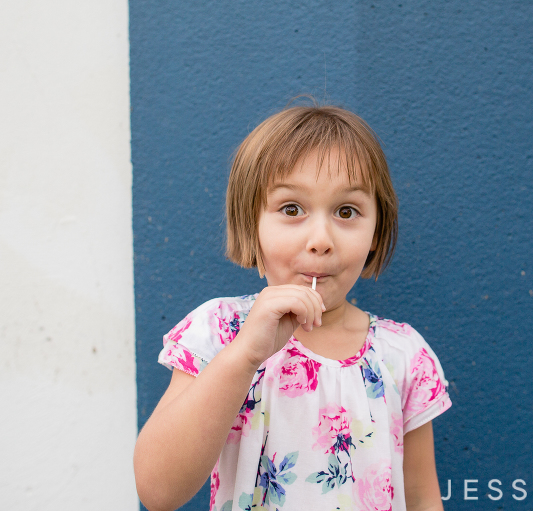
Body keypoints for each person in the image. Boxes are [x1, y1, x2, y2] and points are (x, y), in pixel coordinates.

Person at [133, 102, 452, 511]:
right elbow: (158, 492)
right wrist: (245, 355)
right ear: (252, 223)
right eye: (291, 209)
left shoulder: (403, 355)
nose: (320, 240)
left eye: (346, 211)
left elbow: (422, 497)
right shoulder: (221, 331)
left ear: (376, 229)